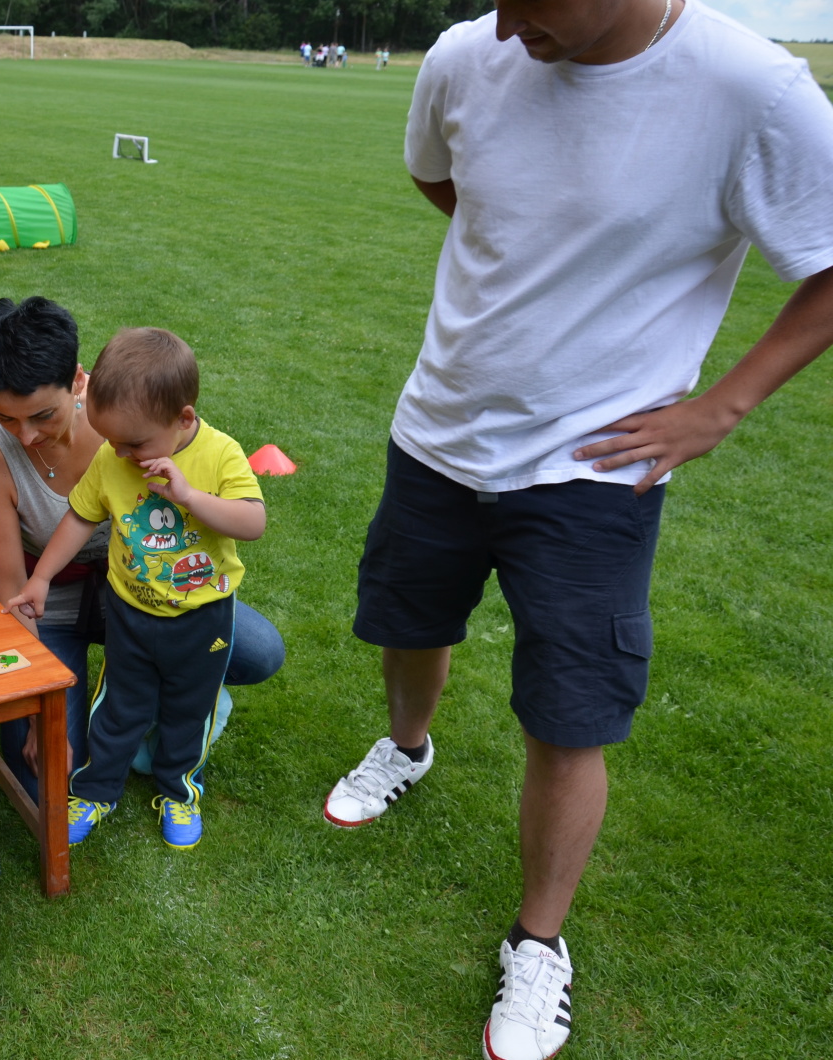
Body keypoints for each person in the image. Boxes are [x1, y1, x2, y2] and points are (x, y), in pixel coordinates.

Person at [319, 1, 833, 1058]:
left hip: (595, 467)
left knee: (570, 712)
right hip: (437, 430)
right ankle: (406, 749)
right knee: (407, 624)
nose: (508, 27)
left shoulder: (753, 91)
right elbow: (443, 181)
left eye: (536, 2)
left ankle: (538, 942)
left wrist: (718, 409)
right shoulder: (466, 55)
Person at [0, 297, 285, 803]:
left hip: (153, 596)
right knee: (45, 778)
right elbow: (13, 590)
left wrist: (190, 497)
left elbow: (217, 479)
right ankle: (135, 703)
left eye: (42, 415)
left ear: (78, 380)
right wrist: (36, 714)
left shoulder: (129, 412)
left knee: (261, 652)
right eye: (6, 417)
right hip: (54, 611)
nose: (25, 436)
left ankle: (171, 698)